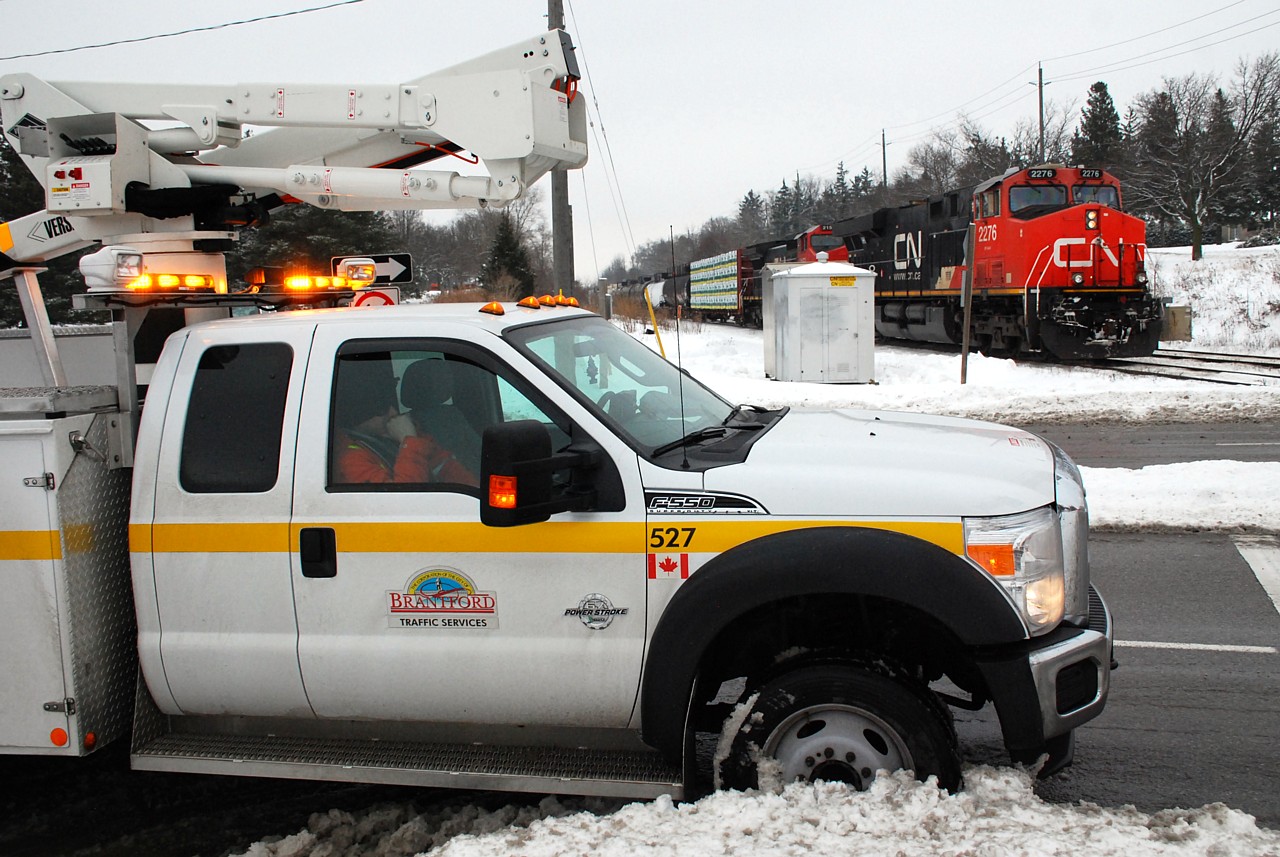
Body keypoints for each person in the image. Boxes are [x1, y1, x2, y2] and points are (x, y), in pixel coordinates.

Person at [332, 357, 476, 486]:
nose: (394, 413)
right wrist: (409, 442)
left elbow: (446, 467)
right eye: (382, 408)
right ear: (358, 414)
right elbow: (404, 500)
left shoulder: (398, 435)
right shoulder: (350, 461)